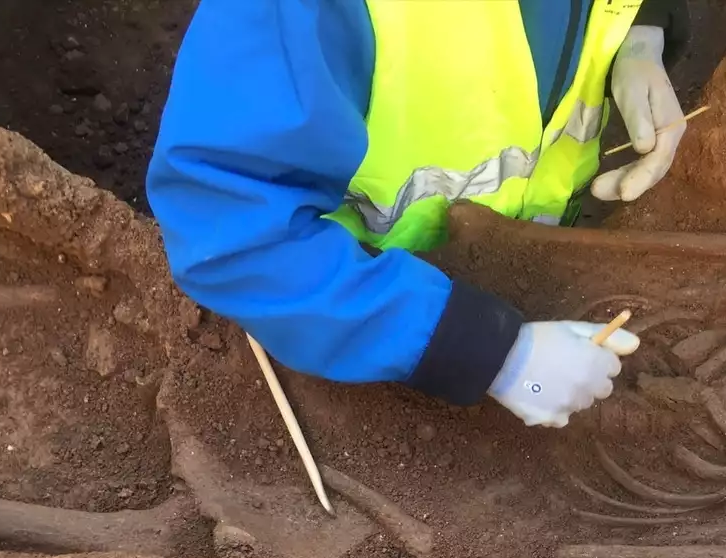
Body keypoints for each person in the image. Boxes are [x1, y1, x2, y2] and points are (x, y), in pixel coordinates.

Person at [147, 0, 691, 428]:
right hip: (350, 328)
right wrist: (489, 352)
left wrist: (642, 33)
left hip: (521, 280)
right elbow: (229, 225)